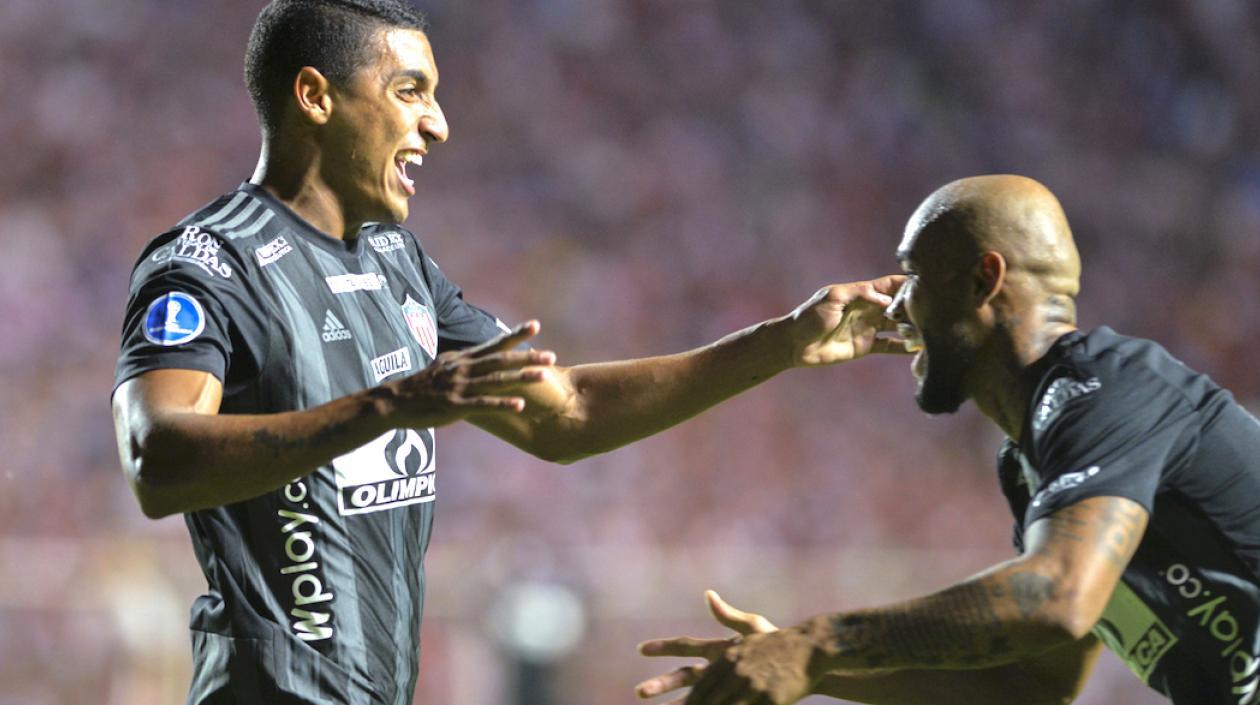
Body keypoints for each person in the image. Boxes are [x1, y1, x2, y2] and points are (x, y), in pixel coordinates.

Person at [109, 1, 906, 703]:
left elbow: (568, 414)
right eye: (409, 90)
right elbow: (158, 457)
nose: (438, 122)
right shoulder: (208, 263)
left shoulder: (397, 262)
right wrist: (392, 405)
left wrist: (783, 341)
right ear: (315, 96)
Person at [636, 174, 1260, 705]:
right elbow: (1025, 686)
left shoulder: (1111, 388)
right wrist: (811, 666)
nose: (896, 308)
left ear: (982, 281)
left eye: (911, 277)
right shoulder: (1034, 461)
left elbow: (1056, 596)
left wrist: (816, 644)